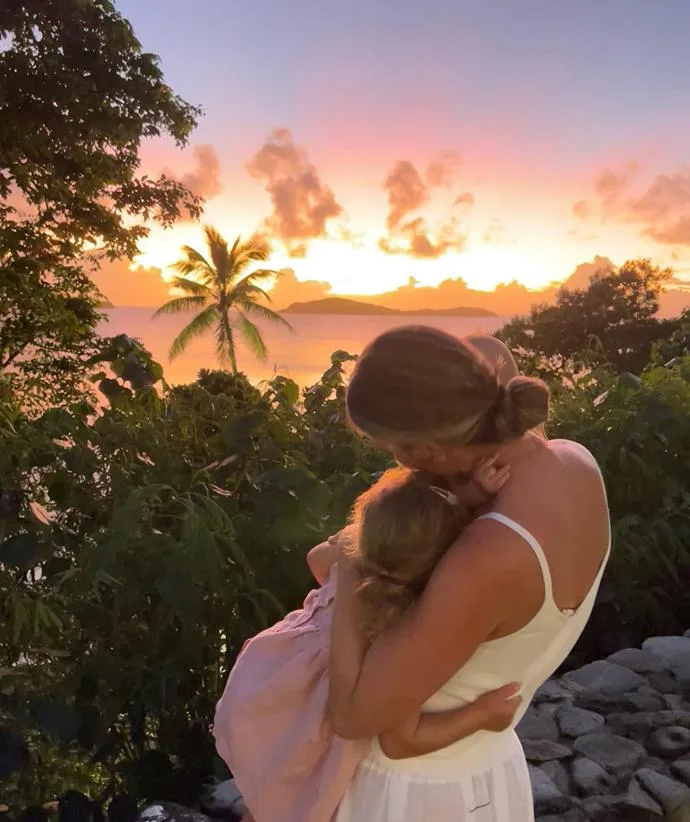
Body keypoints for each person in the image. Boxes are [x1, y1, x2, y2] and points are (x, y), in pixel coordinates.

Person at [328, 326, 611, 822]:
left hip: (413, 795)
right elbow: (491, 351)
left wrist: (349, 564)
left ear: (429, 452)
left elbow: (354, 717)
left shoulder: (488, 556)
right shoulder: (575, 462)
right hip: (489, 768)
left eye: (389, 447)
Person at [213, 461, 520, 822]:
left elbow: (316, 559)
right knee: (291, 804)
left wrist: (459, 498)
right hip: (312, 721)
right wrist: (481, 715)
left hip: (273, 689)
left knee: (268, 800)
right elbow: (404, 739)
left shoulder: (350, 560)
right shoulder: (398, 629)